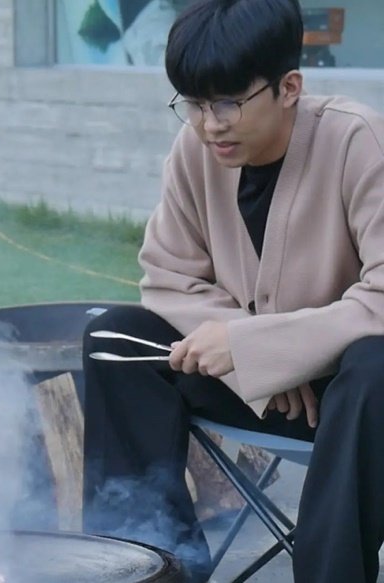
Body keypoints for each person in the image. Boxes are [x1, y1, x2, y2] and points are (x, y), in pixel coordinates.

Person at [81, 0, 384, 582]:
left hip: (353, 399)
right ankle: (149, 564)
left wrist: (263, 347)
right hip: (264, 391)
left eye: (227, 103)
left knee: (377, 364)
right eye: (193, 103)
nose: (208, 124)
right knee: (114, 339)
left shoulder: (358, 141)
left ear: (289, 87)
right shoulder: (194, 150)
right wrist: (254, 356)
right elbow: (167, 277)